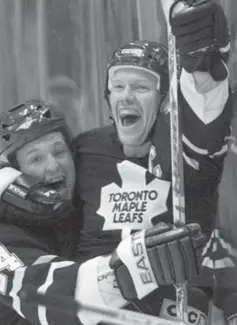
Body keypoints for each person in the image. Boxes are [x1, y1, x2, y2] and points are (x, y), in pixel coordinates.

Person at [0, 1, 233, 324]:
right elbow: (33, 288)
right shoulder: (86, 152)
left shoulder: (177, 149)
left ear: (166, 99)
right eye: (118, 86)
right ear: (107, 97)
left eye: (141, 87)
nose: (126, 96)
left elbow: (202, 129)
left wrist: (203, 70)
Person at [0, 99, 204, 325]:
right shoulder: (4, 240)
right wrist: (133, 269)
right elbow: (54, 297)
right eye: (36, 159)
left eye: (59, 152)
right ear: (13, 177)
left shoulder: (80, 217)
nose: (54, 166)